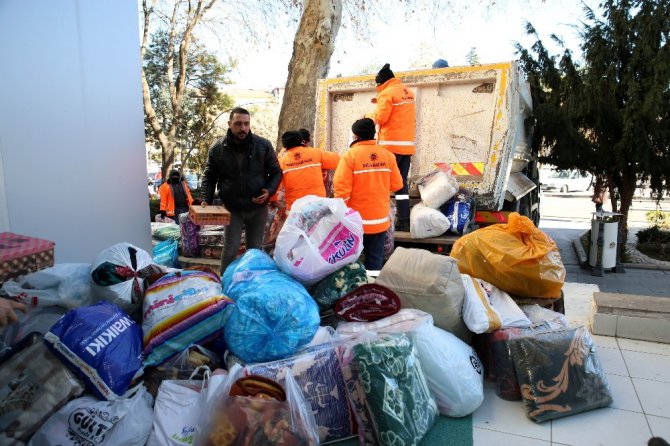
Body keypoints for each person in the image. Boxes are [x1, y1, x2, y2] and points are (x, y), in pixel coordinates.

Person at [201, 107, 283, 274]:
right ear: (230, 124)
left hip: (258, 208)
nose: (243, 128)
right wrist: (205, 199)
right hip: (232, 209)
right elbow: (209, 176)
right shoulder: (217, 148)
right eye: (238, 124)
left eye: (246, 124)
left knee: (254, 250)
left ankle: (252, 282)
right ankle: (224, 283)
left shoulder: (263, 145)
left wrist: (268, 190)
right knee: (230, 250)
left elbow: (276, 172)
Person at [334, 118, 403, 271]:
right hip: (380, 222)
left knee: (352, 260)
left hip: (355, 222)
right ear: (373, 134)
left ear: (356, 136)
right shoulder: (388, 156)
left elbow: (341, 190)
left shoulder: (350, 156)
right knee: (375, 260)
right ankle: (372, 290)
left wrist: (339, 215)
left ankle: (356, 287)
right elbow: (397, 185)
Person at [370, 63, 416, 232]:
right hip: (406, 148)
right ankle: (404, 219)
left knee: (381, 183)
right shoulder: (407, 92)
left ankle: (381, 219)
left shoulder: (387, 93)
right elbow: (398, 114)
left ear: (382, 82)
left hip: (390, 147)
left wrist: (369, 115)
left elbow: (380, 118)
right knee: (400, 183)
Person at [276, 130, 340, 211]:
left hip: (296, 207)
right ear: (301, 140)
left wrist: (272, 199)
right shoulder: (316, 153)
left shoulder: (281, 162)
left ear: (285, 145)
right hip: (318, 203)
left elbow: (275, 183)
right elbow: (338, 161)